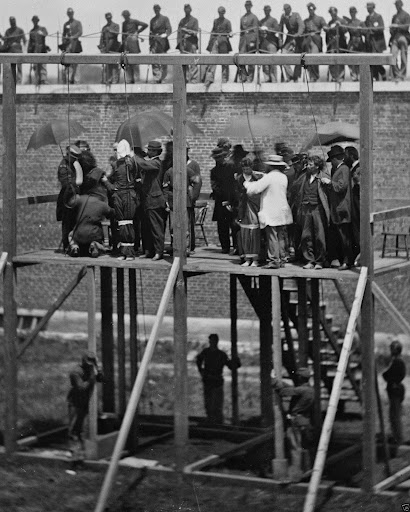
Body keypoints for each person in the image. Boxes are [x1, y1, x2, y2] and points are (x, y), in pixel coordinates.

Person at [244, 154, 293, 269]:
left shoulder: (269, 177)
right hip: (282, 210)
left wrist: (246, 183)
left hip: (271, 210)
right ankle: (281, 258)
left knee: (272, 236)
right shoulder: (282, 177)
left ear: (270, 166)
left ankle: (273, 260)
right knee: (280, 236)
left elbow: (255, 189)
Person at [272, 367, 314, 472]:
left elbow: (283, 392)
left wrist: (273, 380)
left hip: (296, 420)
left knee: (295, 447)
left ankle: (296, 473)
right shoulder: (309, 389)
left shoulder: (301, 390)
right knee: (304, 446)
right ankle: (306, 469)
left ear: (300, 377)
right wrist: (282, 383)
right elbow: (293, 389)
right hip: (304, 420)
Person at [104, 140, 140, 260]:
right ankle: (125, 251)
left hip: (125, 194)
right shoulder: (126, 164)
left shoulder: (129, 164)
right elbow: (106, 177)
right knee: (123, 223)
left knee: (126, 222)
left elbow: (106, 177)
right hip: (124, 194)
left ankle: (128, 252)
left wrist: (110, 186)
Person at [68, 167, 114, 258]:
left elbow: (70, 204)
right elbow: (112, 213)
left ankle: (75, 246)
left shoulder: (81, 199)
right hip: (94, 234)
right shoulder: (102, 204)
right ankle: (95, 245)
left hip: (79, 234)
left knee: (70, 235)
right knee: (105, 243)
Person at [162, 151, 202, 255]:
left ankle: (186, 248)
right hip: (173, 202)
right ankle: (175, 247)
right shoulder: (169, 172)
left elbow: (197, 181)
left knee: (185, 225)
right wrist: (167, 200)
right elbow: (165, 189)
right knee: (173, 227)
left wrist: (191, 193)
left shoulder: (188, 170)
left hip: (185, 202)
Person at [294, 156, 330, 270]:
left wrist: (328, 183)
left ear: (317, 166)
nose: (308, 166)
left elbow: (330, 193)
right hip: (306, 208)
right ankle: (309, 260)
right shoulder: (304, 177)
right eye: (308, 164)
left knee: (319, 235)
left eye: (310, 164)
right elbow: (296, 189)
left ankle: (319, 261)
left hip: (317, 209)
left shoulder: (323, 177)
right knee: (306, 235)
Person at [196, 334, 240, 424]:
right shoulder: (206, 352)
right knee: (208, 404)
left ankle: (217, 422)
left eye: (213, 341)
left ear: (216, 342)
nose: (212, 343)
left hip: (217, 381)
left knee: (217, 404)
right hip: (208, 381)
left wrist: (236, 361)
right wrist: (201, 371)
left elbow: (231, 365)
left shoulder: (221, 354)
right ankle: (211, 421)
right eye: (211, 341)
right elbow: (198, 360)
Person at [67, 352, 103, 464]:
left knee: (83, 428)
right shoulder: (76, 372)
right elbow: (81, 387)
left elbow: (102, 379)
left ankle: (83, 452)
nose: (91, 365)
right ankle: (75, 453)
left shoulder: (91, 370)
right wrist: (92, 377)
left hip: (86, 402)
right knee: (74, 428)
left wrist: (99, 371)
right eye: (90, 362)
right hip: (75, 403)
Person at [134, 141, 167, 260]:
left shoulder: (157, 163)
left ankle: (159, 251)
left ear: (156, 152)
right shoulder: (149, 161)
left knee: (156, 227)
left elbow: (144, 165)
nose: (148, 151)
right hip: (147, 200)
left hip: (155, 200)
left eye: (151, 150)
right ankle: (148, 250)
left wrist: (134, 156)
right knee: (146, 228)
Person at [323, 145, 353, 270]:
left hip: (342, 208)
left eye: (332, 160)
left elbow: (342, 186)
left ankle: (347, 261)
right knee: (338, 236)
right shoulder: (336, 170)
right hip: (336, 208)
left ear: (337, 158)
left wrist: (330, 183)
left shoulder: (344, 169)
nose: (331, 163)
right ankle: (341, 260)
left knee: (344, 236)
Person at [210, 145, 239, 254]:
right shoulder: (214, 171)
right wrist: (222, 198)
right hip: (220, 201)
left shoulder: (232, 168)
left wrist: (231, 199)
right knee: (222, 225)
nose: (219, 160)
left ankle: (237, 246)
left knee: (234, 224)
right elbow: (215, 186)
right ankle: (225, 246)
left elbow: (235, 184)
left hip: (232, 200)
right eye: (217, 158)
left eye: (221, 157)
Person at [56, 145, 84, 252]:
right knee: (67, 222)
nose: (76, 160)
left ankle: (74, 245)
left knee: (74, 221)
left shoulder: (71, 164)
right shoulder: (63, 166)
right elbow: (66, 183)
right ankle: (67, 245)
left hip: (73, 196)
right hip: (67, 198)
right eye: (74, 158)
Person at [236, 156, 261, 267]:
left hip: (254, 206)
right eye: (244, 169)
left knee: (254, 232)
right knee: (244, 232)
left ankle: (255, 258)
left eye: (248, 168)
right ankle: (247, 257)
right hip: (243, 207)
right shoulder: (239, 179)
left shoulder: (257, 178)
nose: (246, 171)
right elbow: (236, 194)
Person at [383, 340, 406, 445]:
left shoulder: (397, 362)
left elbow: (388, 375)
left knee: (395, 416)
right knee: (393, 415)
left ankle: (398, 438)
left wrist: (389, 378)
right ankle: (396, 437)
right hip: (395, 390)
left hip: (395, 390)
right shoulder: (397, 361)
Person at [204, 6, 233, 87]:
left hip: (224, 42)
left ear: (224, 13)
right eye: (220, 12)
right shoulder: (215, 21)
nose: (221, 14)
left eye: (222, 12)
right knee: (213, 60)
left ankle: (224, 80)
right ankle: (209, 79)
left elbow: (230, 32)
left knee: (224, 61)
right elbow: (213, 32)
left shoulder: (227, 22)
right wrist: (210, 45)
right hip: (216, 42)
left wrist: (230, 34)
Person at [121, 10, 148, 84]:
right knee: (127, 61)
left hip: (133, 42)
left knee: (135, 61)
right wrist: (123, 44)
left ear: (129, 15)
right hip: (126, 43)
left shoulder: (134, 21)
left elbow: (145, 25)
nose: (125, 17)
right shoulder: (124, 23)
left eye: (126, 16)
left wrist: (137, 32)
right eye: (124, 16)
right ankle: (129, 79)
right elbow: (123, 34)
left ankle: (137, 79)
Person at [303, 3, 327, 82]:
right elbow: (302, 30)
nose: (310, 11)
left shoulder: (320, 19)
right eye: (309, 10)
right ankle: (311, 77)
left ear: (314, 9)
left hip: (316, 40)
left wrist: (325, 28)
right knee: (307, 59)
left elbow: (325, 26)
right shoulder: (306, 21)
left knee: (314, 57)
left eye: (312, 9)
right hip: (308, 40)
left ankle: (315, 76)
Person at [279, 4, 304, 82]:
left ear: (290, 9)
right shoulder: (283, 17)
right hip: (289, 38)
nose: (286, 11)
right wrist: (280, 41)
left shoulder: (296, 15)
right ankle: (290, 76)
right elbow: (280, 29)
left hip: (299, 39)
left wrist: (297, 35)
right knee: (283, 55)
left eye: (287, 9)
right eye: (284, 10)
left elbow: (301, 26)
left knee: (298, 57)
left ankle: (296, 76)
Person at [345, 146, 360, 263]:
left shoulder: (358, 168)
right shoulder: (353, 168)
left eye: (345, 155)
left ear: (351, 156)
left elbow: (360, 184)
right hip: (354, 200)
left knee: (357, 227)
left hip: (358, 200)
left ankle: (359, 255)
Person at [177, 4, 199, 83]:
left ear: (190, 10)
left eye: (188, 9)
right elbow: (179, 33)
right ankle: (184, 79)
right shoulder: (182, 21)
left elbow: (195, 32)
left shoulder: (194, 20)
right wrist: (179, 45)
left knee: (193, 61)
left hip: (192, 43)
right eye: (185, 9)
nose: (187, 11)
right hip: (183, 43)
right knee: (184, 62)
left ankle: (193, 79)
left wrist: (186, 31)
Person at [238, 1, 260, 83]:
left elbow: (255, 31)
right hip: (243, 41)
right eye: (246, 6)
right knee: (241, 59)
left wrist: (253, 41)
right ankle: (243, 77)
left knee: (250, 60)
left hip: (251, 40)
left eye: (249, 6)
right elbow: (241, 31)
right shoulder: (242, 18)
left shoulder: (254, 17)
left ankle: (250, 78)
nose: (247, 7)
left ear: (251, 6)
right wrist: (240, 43)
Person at [149, 4, 172, 84]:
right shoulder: (152, 20)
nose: (156, 10)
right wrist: (150, 43)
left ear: (160, 9)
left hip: (162, 42)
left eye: (157, 9)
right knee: (154, 60)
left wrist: (165, 35)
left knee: (163, 60)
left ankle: (163, 78)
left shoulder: (165, 19)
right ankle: (156, 78)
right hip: (154, 42)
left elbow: (169, 29)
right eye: (155, 9)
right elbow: (150, 32)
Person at [365, 2, 387, 81]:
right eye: (367, 7)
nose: (368, 9)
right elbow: (365, 28)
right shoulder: (367, 18)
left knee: (377, 60)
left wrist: (373, 30)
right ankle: (375, 77)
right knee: (371, 60)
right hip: (370, 43)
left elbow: (381, 28)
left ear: (373, 7)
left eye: (369, 7)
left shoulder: (378, 17)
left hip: (378, 43)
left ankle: (383, 73)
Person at [259, 5, 281, 83]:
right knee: (264, 63)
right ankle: (267, 79)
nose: (266, 12)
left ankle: (274, 80)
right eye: (265, 10)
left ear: (270, 11)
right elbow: (258, 33)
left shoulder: (274, 20)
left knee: (273, 61)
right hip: (263, 43)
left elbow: (277, 30)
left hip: (272, 42)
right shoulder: (261, 21)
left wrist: (268, 29)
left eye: (268, 10)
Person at [61, 8, 83, 84]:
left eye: (71, 13)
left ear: (73, 13)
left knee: (76, 63)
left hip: (75, 45)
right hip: (67, 46)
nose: (70, 14)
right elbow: (63, 35)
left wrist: (73, 37)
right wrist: (63, 43)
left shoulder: (77, 23)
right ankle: (69, 80)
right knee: (68, 63)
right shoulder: (66, 24)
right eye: (68, 13)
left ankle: (76, 80)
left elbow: (80, 32)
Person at [326, 7, 347, 82]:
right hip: (332, 44)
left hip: (340, 43)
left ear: (336, 12)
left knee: (340, 60)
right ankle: (334, 76)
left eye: (333, 12)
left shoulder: (342, 20)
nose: (332, 14)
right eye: (331, 13)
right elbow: (328, 34)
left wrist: (340, 26)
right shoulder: (330, 22)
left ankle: (340, 77)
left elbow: (345, 30)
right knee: (331, 60)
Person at [390, 0, 410, 81]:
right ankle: (397, 75)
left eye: (398, 5)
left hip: (403, 37)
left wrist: (397, 26)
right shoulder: (394, 16)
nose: (397, 6)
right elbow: (391, 29)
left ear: (401, 5)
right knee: (392, 56)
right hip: (395, 38)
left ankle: (402, 75)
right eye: (396, 5)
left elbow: (406, 27)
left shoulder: (406, 15)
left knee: (403, 56)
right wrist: (392, 29)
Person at [99, 13, 121, 85]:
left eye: (109, 17)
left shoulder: (115, 25)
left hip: (114, 47)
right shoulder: (104, 27)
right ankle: (108, 79)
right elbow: (101, 38)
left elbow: (117, 33)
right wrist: (101, 47)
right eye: (107, 18)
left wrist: (110, 30)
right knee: (107, 64)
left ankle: (115, 80)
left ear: (111, 17)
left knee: (115, 64)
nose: (108, 19)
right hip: (106, 48)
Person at [4, 17, 26, 84]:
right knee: (10, 67)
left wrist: (24, 50)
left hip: (18, 50)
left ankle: (19, 81)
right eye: (11, 21)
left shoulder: (20, 30)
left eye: (13, 21)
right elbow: (5, 42)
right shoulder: (7, 31)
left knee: (19, 66)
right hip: (10, 51)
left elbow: (24, 40)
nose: (12, 22)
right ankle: (11, 81)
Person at [346, 7, 365, 82]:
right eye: (351, 12)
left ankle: (360, 76)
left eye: (353, 12)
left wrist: (361, 29)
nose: (352, 14)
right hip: (351, 42)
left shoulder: (360, 22)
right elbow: (344, 30)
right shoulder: (348, 23)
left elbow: (366, 32)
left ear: (355, 13)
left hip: (359, 42)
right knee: (351, 59)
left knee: (360, 59)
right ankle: (353, 76)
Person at [28, 16, 48, 85]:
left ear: (38, 21)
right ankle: (37, 80)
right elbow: (30, 42)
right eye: (34, 20)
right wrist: (29, 52)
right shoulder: (31, 31)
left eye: (36, 20)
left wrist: (41, 33)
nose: (35, 21)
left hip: (42, 50)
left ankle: (43, 80)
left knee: (43, 65)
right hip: (35, 51)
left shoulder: (42, 28)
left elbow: (46, 34)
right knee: (35, 66)